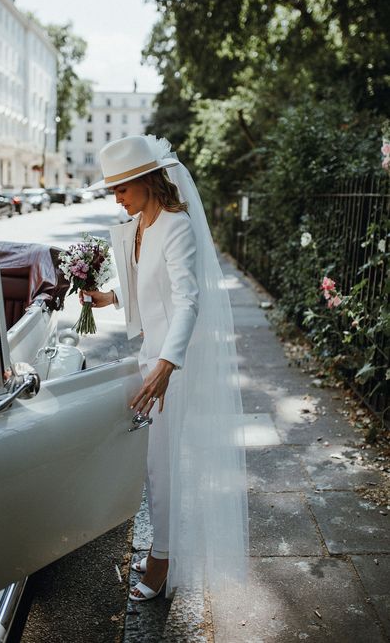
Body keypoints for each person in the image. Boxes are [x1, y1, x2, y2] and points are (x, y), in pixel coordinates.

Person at [84, 135, 248, 603]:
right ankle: (163, 546)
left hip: (171, 363)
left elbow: (186, 300)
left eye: (121, 188)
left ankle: (163, 558)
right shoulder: (141, 223)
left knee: (163, 463)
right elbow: (142, 283)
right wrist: (109, 297)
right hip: (150, 356)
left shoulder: (176, 225)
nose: (116, 198)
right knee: (154, 464)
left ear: (146, 180)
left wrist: (166, 365)